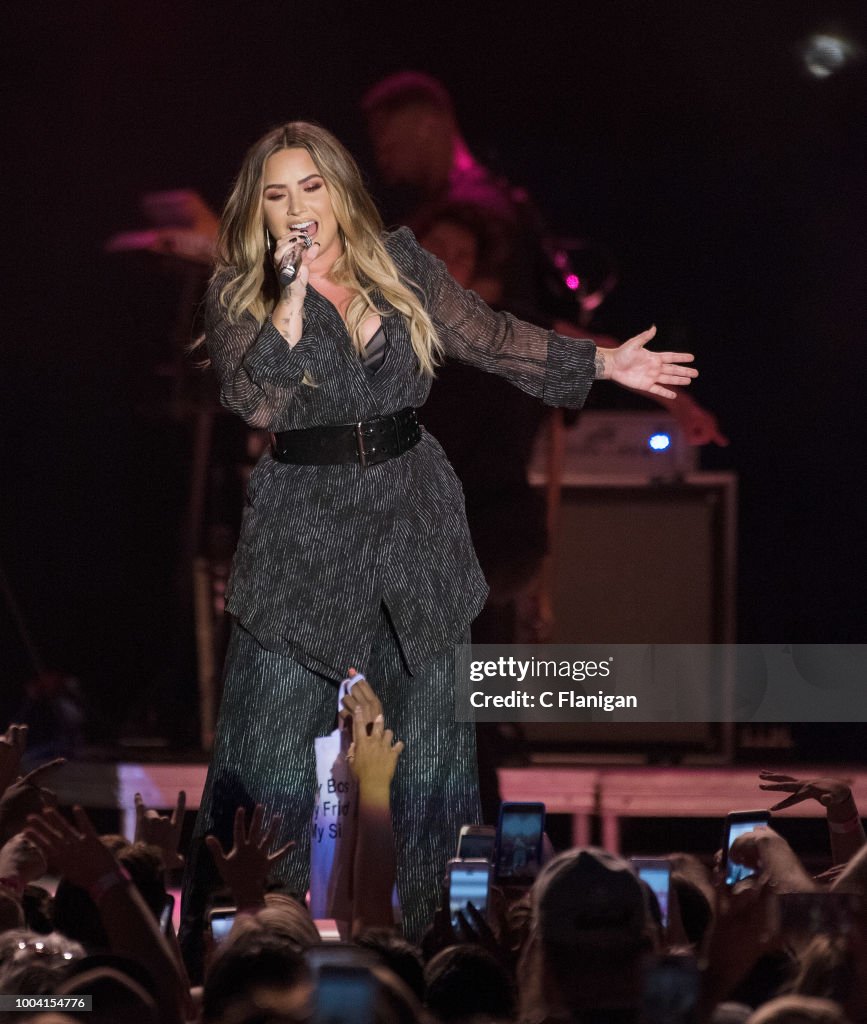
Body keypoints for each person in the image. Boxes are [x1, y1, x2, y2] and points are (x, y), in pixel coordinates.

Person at [177, 121, 697, 960]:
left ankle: (433, 951)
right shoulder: (243, 288)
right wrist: (292, 294)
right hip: (305, 514)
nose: (296, 207)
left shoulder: (403, 264)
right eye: (276, 194)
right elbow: (255, 399)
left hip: (407, 503)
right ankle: (232, 947)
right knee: (268, 733)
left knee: (430, 736)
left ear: (340, 189)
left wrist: (603, 367)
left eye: (311, 187)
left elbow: (493, 337)